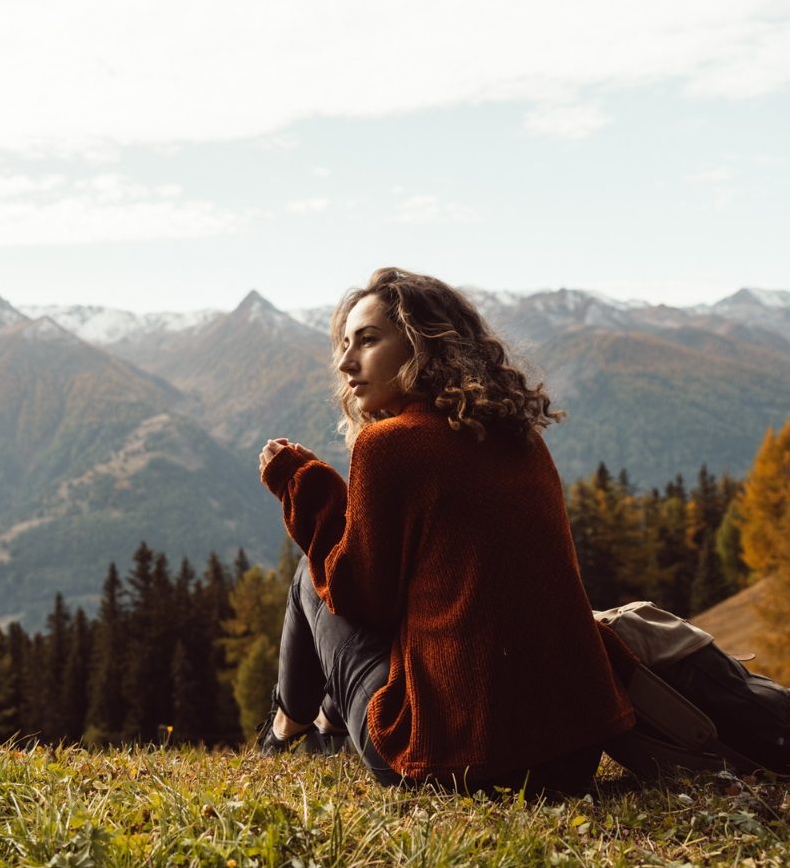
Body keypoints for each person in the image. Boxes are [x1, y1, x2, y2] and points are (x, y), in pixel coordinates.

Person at [255, 267, 635, 794]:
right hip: (571, 755)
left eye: (367, 340)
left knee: (308, 575)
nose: (345, 363)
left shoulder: (388, 445)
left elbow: (356, 597)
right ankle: (320, 723)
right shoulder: (518, 435)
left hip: (454, 757)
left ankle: (285, 729)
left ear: (423, 345)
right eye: (344, 344)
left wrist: (305, 487)